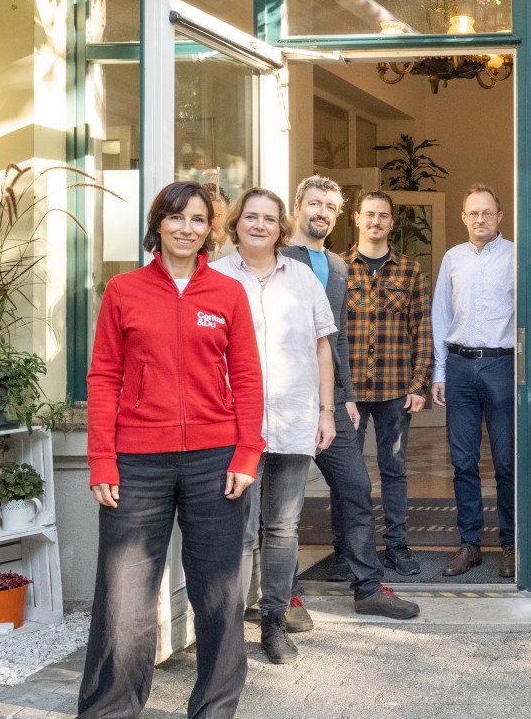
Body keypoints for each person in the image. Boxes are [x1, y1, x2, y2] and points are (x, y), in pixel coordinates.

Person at [80, 180, 264, 718]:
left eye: (198, 220)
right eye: (176, 217)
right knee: (123, 597)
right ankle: (110, 709)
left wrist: (247, 453)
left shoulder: (228, 294)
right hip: (137, 463)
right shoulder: (123, 291)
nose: (187, 228)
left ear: (211, 230)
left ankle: (215, 708)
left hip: (216, 460)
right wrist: (101, 459)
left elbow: (249, 378)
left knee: (220, 595)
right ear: (158, 223)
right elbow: (103, 376)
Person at [283, 176, 424, 616]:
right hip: (283, 400)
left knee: (358, 485)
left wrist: (342, 395)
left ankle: (368, 588)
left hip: (334, 399)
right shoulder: (280, 258)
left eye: (329, 205)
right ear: (297, 207)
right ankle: (282, 598)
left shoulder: (337, 268)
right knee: (282, 504)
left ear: (339, 215)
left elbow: (337, 338)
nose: (321, 212)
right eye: (313, 204)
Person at [212, 187, 338, 664]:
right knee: (240, 530)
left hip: (293, 418)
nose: (260, 225)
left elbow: (323, 348)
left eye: (269, 218)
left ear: (281, 226)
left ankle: (273, 623)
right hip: (233, 425)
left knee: (282, 528)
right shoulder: (216, 277)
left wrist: (326, 410)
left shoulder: (303, 278)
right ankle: (227, 629)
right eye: (251, 217)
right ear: (236, 224)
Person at [342, 190, 434, 578]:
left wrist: (418, 384)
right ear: (356, 219)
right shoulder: (337, 267)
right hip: (349, 395)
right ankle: (346, 551)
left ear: (392, 222)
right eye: (369, 215)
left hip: (396, 390)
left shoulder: (410, 271)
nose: (375, 221)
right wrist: (334, 391)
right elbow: (328, 334)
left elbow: (422, 330)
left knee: (393, 469)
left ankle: (397, 546)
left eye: (383, 216)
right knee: (347, 473)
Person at [431, 184, 517, 578]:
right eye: (472, 213)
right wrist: (441, 371)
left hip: (502, 366)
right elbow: (440, 317)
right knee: (463, 461)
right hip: (461, 366)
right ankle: (470, 545)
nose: (479, 219)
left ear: (499, 217)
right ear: (463, 218)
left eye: (487, 212)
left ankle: (511, 543)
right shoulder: (452, 259)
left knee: (505, 461)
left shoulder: (516, 256)